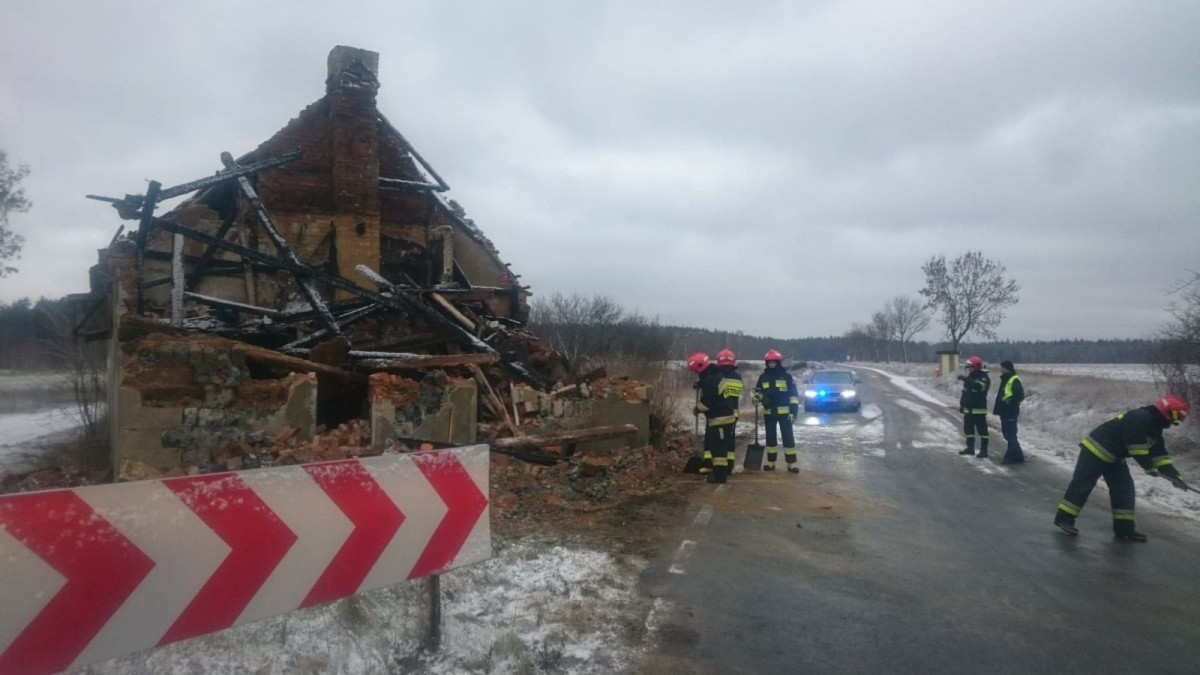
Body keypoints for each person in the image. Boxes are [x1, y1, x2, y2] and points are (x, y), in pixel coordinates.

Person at [1054, 395, 1191, 542]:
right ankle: (1065, 520)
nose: (1174, 423)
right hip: (1095, 450)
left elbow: (1159, 455)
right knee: (1083, 485)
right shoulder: (1140, 417)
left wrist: (1174, 476)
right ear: (1168, 412)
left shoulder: (1155, 426)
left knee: (1124, 490)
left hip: (1114, 457)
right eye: (1175, 418)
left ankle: (1124, 529)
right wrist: (1147, 466)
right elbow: (1135, 445)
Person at [689, 351, 736, 484]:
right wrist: (700, 384)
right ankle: (718, 473)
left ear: (700, 367)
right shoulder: (715, 374)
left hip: (720, 419)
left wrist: (697, 409)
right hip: (723, 417)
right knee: (718, 447)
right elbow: (711, 388)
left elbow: (706, 403)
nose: (695, 373)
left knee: (718, 449)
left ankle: (720, 477)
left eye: (695, 370)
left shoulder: (710, 380)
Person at [753, 349, 800, 473]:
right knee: (770, 438)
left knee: (788, 437)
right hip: (769, 413)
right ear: (766, 363)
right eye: (770, 362)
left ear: (779, 362)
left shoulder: (787, 377)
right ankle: (771, 462)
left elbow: (793, 396)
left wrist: (793, 412)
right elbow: (757, 393)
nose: (772, 364)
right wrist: (760, 399)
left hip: (785, 414)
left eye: (774, 362)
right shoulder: (763, 377)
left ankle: (791, 463)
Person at [716, 349, 744, 472]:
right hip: (733, 413)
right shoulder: (737, 377)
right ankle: (730, 464)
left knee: (718, 440)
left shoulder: (717, 376)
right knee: (730, 439)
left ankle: (717, 465)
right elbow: (737, 395)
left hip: (718, 413)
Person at [957, 356, 991, 458]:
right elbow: (965, 393)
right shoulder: (970, 377)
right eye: (968, 367)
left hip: (979, 409)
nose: (969, 369)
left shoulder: (984, 377)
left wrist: (965, 379)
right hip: (968, 409)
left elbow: (978, 386)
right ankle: (970, 448)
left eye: (970, 367)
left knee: (982, 431)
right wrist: (962, 405)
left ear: (976, 366)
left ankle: (984, 451)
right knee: (968, 430)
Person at [993, 360, 1025, 464]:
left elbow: (1020, 395)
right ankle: (1019, 456)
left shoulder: (1013, 379)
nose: (1000, 369)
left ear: (1007, 368)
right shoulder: (1006, 378)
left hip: (1010, 411)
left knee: (1010, 434)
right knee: (1009, 434)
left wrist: (1008, 403)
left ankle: (1009, 457)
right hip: (1005, 411)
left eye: (1002, 367)